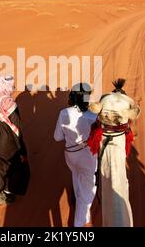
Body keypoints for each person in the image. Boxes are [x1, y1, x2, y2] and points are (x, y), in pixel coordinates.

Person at [53, 83, 98, 227]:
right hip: (88, 157)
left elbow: (57, 137)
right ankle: (79, 223)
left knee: (76, 176)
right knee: (88, 191)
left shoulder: (64, 113)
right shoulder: (93, 116)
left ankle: (79, 199)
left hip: (71, 156)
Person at [0, 75, 30, 205]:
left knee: (0, 168)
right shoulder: (10, 104)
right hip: (8, 145)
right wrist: (22, 150)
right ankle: (9, 194)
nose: (13, 88)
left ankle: (2, 191)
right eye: (10, 85)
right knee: (17, 168)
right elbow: (18, 129)